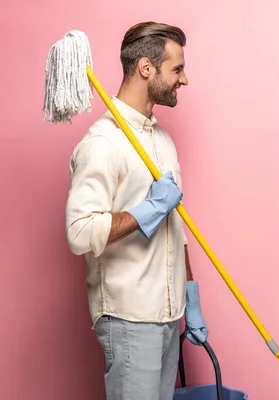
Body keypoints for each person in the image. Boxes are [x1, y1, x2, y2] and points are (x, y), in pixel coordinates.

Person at [65, 21, 208, 400]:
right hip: (129, 318)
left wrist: (190, 298)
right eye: (177, 69)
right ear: (147, 68)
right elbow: (79, 232)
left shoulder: (162, 141)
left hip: (169, 315)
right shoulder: (103, 143)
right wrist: (148, 210)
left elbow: (175, 226)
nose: (184, 80)